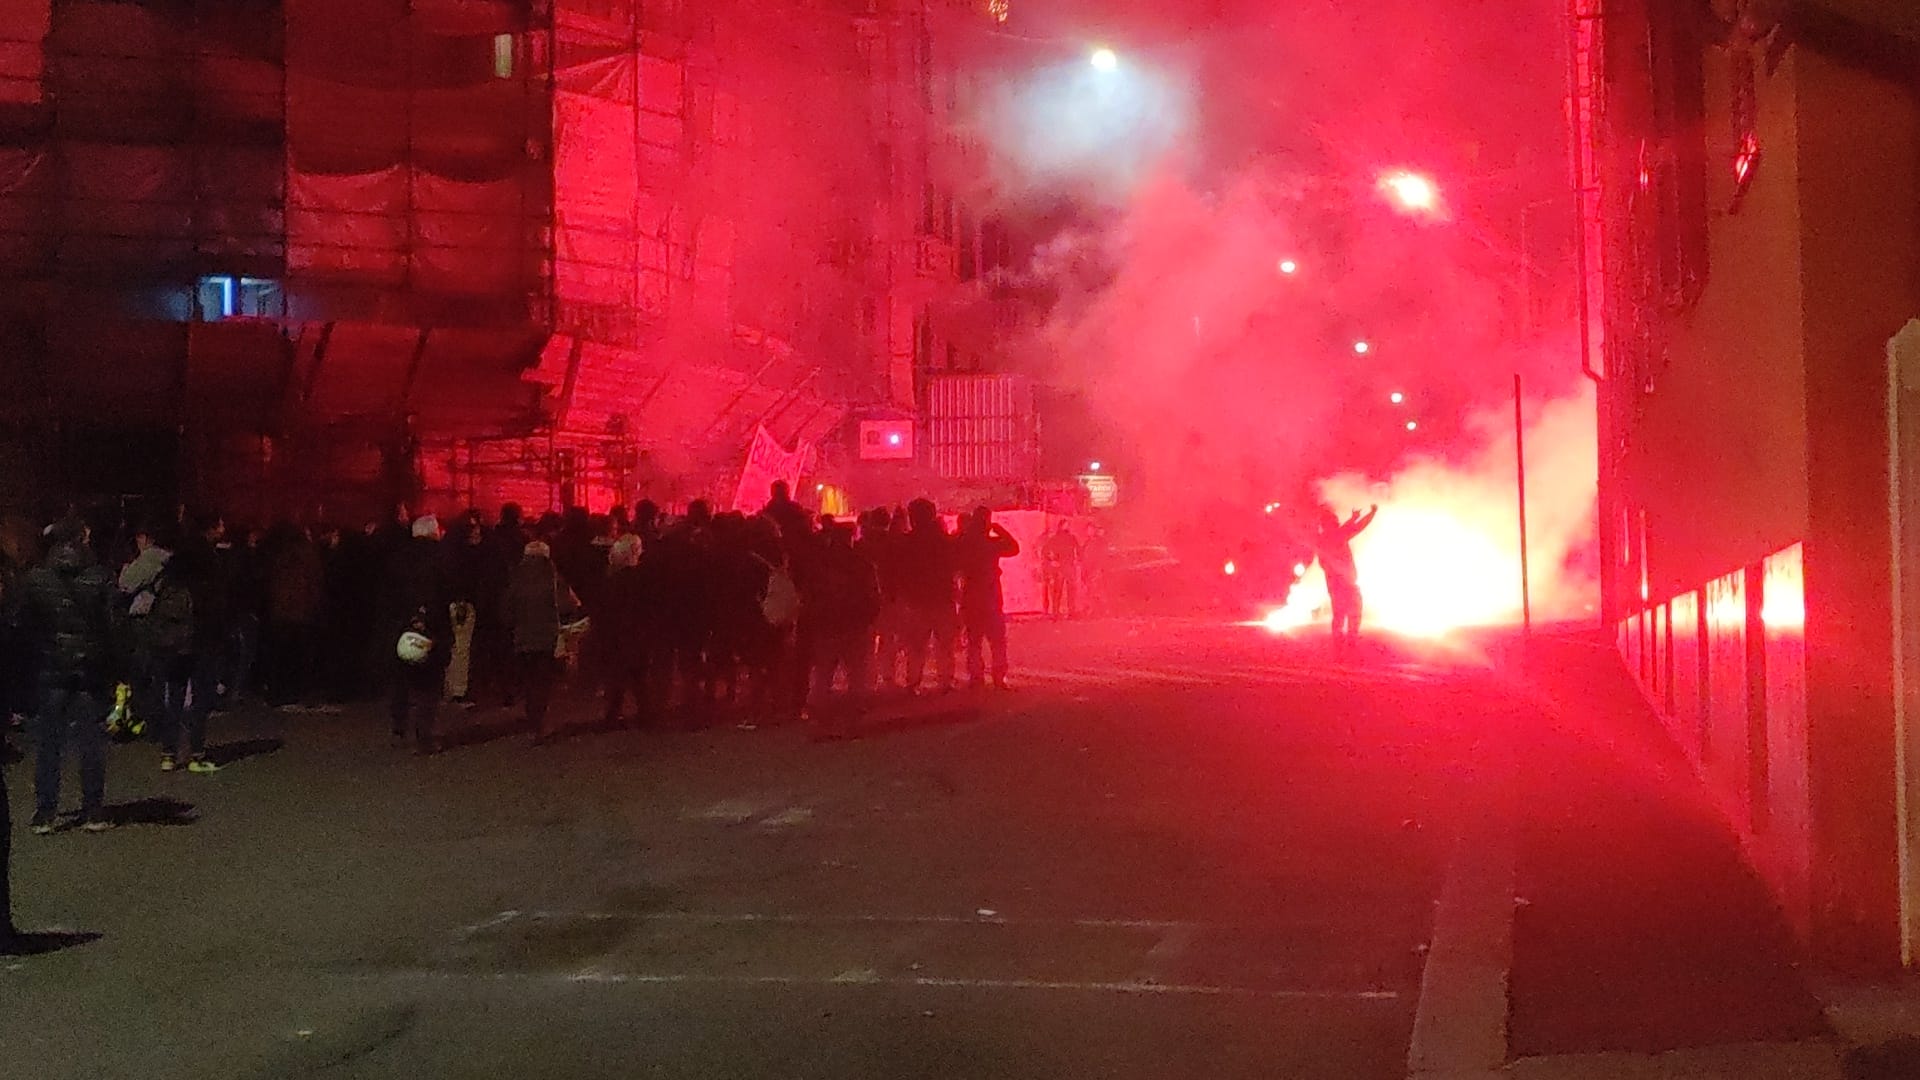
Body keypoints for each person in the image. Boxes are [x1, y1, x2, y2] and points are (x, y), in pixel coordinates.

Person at [16, 518, 116, 832]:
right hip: (88, 668)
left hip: (51, 667)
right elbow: (112, 626)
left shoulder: (37, 579)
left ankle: (46, 813)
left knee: (48, 742)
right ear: (81, 539)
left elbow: (22, 623)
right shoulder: (100, 577)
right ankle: (93, 811)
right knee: (91, 741)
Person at [798, 520, 881, 738]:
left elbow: (808, 595)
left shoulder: (818, 566)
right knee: (856, 671)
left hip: (827, 625)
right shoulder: (861, 564)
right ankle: (853, 714)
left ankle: (819, 713)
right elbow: (873, 596)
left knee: (824, 671)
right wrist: (868, 618)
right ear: (850, 538)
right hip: (854, 624)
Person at [380, 515, 453, 754]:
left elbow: (388, 593)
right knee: (429, 685)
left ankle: (399, 730)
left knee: (401, 681)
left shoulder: (398, 557)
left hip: (400, 627)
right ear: (433, 532)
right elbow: (444, 591)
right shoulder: (441, 558)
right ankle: (424, 735)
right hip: (431, 627)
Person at [501, 539, 579, 744]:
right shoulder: (553, 578)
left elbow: (507, 610)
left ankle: (532, 717)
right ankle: (539, 722)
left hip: (523, 638)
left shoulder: (516, 577)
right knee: (543, 682)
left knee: (528, 679)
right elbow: (568, 604)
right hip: (547, 637)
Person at [898, 498, 958, 694]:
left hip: (917, 600)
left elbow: (902, 571)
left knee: (916, 645)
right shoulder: (943, 540)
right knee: (945, 644)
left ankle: (913, 682)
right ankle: (945, 682)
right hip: (942, 598)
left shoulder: (907, 541)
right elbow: (954, 565)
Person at [955, 508, 1020, 689]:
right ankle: (999, 677)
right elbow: (1014, 548)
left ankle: (976, 677)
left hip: (971, 593)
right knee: (997, 640)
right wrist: (999, 529)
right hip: (990, 594)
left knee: (974, 640)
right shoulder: (990, 543)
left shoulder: (965, 542)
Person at [1315, 503, 1378, 645]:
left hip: (1333, 583)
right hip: (1346, 582)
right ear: (1330, 524)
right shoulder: (1337, 536)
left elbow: (1348, 528)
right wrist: (1372, 513)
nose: (1337, 522)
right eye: (1334, 521)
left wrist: (1353, 518)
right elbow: (1356, 528)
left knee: (1339, 613)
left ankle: (1338, 641)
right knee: (1354, 609)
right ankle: (1351, 639)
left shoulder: (1322, 539)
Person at [1041, 521, 1082, 619]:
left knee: (1070, 591)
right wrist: (1052, 561)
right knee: (1057, 591)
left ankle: (1071, 612)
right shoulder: (1055, 538)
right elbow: (1045, 551)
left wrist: (1078, 560)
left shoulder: (1071, 538)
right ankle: (1056, 612)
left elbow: (1078, 550)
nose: (1067, 527)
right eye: (1065, 525)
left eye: (1068, 525)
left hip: (1069, 566)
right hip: (1060, 567)